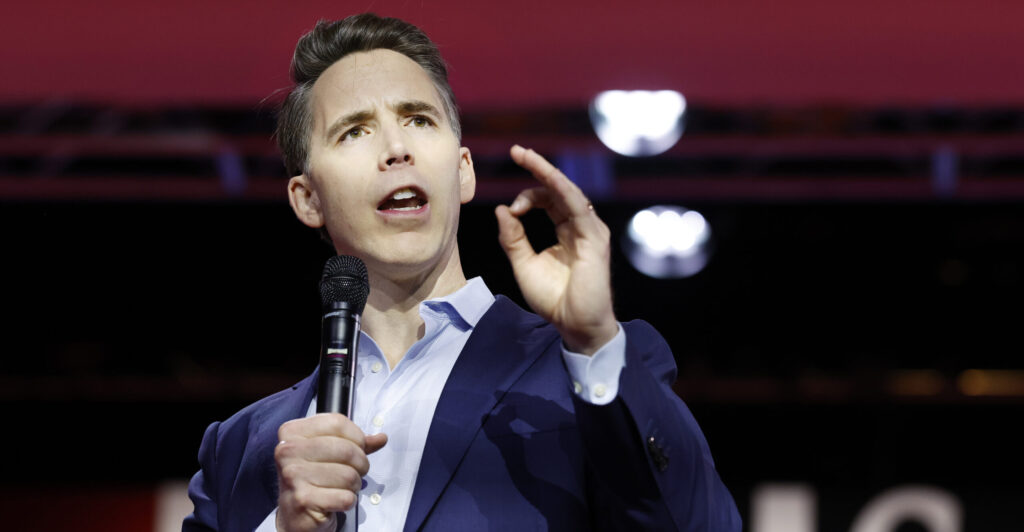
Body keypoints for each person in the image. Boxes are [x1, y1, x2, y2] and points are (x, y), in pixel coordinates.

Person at [184, 13, 740, 532]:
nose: (396, 148)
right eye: (355, 131)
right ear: (308, 199)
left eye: (419, 120)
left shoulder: (590, 372)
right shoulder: (240, 449)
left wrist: (594, 341)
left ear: (463, 169)